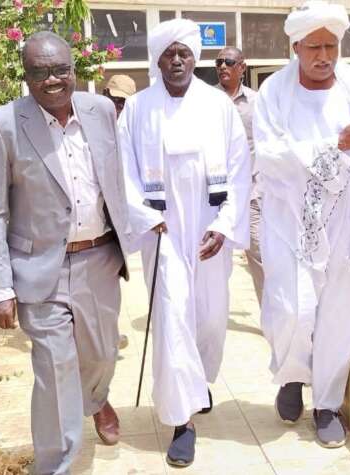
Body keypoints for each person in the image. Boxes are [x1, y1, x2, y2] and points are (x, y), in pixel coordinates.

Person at [253, 1, 350, 448]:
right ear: (295, 47)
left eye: (331, 46)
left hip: (349, 219)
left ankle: (326, 404)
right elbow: (269, 158)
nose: (324, 56)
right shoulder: (274, 92)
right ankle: (291, 375)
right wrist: (336, 143)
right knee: (289, 309)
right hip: (290, 222)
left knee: (341, 315)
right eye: (314, 47)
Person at [0, 31, 131, 474]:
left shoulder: (101, 111)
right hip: (38, 267)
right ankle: (55, 464)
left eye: (61, 69)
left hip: (99, 259)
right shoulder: (4, 124)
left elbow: (116, 178)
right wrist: (0, 287)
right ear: (26, 75)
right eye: (40, 72)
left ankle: (94, 399)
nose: (52, 80)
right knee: (54, 369)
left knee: (102, 354)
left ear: (74, 69)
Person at [118, 19, 251, 468]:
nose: (177, 60)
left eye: (185, 53)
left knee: (210, 319)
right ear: (157, 60)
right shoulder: (137, 109)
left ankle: (199, 382)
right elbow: (124, 171)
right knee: (173, 320)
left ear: (195, 59)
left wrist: (226, 224)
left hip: (209, 229)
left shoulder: (218, 105)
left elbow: (240, 169)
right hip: (164, 232)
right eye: (169, 53)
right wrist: (147, 217)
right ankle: (182, 421)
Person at [214, 46, 263, 304]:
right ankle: (212, 316)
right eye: (219, 62)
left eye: (229, 62)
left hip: (250, 195)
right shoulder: (207, 101)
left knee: (261, 257)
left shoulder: (258, 103)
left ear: (242, 67)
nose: (223, 66)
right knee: (212, 262)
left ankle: (272, 320)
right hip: (214, 198)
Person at [101, 73, 137, 351]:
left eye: (123, 102)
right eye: (113, 100)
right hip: (95, 216)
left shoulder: (134, 128)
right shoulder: (92, 125)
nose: (117, 107)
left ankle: (110, 332)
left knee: (112, 276)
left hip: (119, 217)